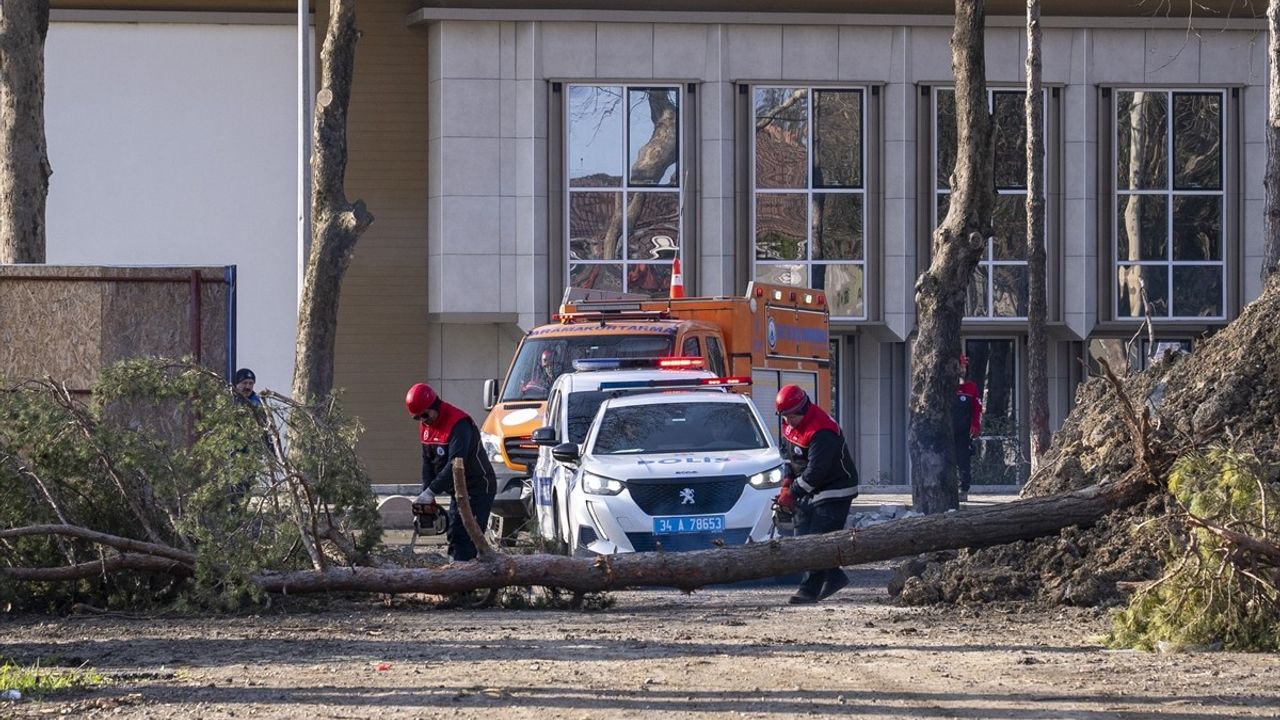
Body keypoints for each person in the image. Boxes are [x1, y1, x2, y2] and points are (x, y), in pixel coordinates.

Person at [776, 385, 859, 604]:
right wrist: (786, 484)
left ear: (802, 408)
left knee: (817, 539)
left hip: (835, 489)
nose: (788, 421)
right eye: (784, 416)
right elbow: (790, 459)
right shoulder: (789, 426)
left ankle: (809, 590)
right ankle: (834, 576)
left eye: (792, 416)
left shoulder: (822, 430)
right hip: (810, 489)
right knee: (801, 538)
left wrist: (792, 493)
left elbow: (815, 472)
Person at [406, 382, 497, 562]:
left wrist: (432, 491)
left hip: (478, 487)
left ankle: (466, 583)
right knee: (453, 533)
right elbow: (428, 462)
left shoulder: (459, 424)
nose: (423, 420)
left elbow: (455, 464)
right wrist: (426, 493)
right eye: (417, 418)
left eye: (424, 415)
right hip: (458, 490)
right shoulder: (426, 426)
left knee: (467, 536)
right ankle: (456, 575)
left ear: (434, 406)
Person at [953, 354, 983, 502]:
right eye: (960, 366)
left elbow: (977, 409)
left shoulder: (971, 387)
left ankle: (963, 489)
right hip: (946, 431)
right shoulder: (944, 386)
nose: (962, 369)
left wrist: (976, 425)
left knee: (963, 461)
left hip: (963, 432)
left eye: (964, 366)